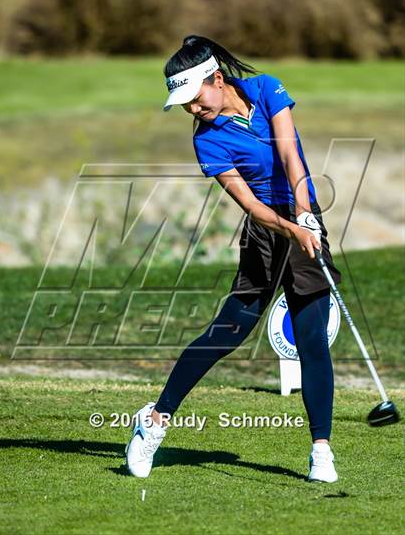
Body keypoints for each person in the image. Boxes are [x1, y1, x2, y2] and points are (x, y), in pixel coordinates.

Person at [125, 35, 342, 482]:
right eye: (183, 104)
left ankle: (321, 449)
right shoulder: (208, 141)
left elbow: (290, 153)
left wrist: (304, 210)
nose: (191, 110)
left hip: (303, 215)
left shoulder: (266, 89)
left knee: (311, 338)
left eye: (193, 98)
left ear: (217, 79)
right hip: (267, 232)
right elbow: (250, 204)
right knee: (227, 333)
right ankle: (155, 419)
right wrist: (289, 227)